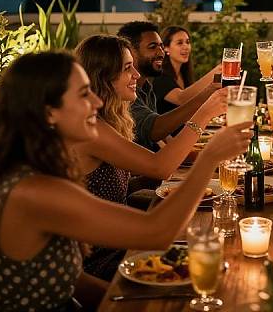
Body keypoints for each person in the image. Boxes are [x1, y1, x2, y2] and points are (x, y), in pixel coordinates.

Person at [0, 51, 251, 311]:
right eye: (83, 94)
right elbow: (156, 231)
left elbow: (67, 278)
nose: (97, 102)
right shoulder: (33, 191)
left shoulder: (37, 170)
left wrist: (121, 301)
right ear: (48, 113)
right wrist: (210, 157)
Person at [74, 34, 227, 280]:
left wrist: (145, 183)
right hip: (105, 259)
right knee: (209, 253)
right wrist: (204, 114)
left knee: (211, 239)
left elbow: (104, 187)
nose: (136, 75)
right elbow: (160, 167)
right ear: (103, 77)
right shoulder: (91, 129)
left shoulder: (110, 119)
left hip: (123, 242)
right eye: (127, 68)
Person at [117, 21, 218, 151]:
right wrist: (209, 92)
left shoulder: (147, 87)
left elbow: (162, 137)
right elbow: (155, 130)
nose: (161, 52)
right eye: (153, 47)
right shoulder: (124, 92)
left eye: (161, 46)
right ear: (130, 52)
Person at [153, 25, 221, 114]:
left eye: (188, 42)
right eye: (180, 43)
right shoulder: (160, 77)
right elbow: (182, 99)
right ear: (166, 48)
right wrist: (215, 72)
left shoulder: (183, 74)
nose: (186, 47)